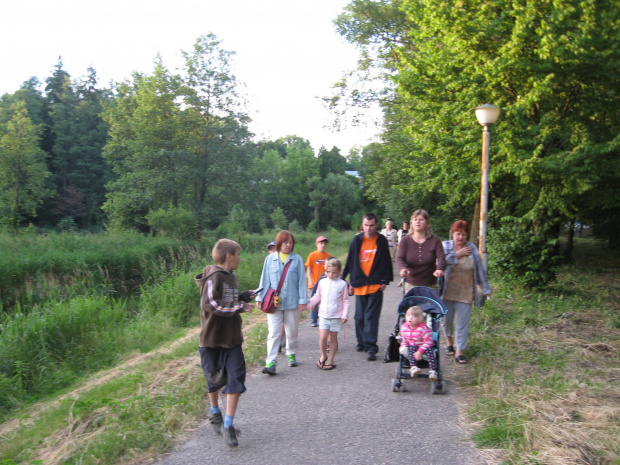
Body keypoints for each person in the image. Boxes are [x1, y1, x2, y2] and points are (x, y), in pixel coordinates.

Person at [194, 239, 255, 447]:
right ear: (229, 256)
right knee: (214, 379)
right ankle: (215, 414)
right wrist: (238, 306)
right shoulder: (214, 276)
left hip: (232, 339)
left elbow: (227, 298)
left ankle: (228, 425)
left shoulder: (232, 276)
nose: (240, 258)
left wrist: (243, 296)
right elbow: (211, 303)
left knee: (236, 378)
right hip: (212, 339)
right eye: (238, 254)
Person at [342, 212, 393, 361]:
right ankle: (361, 341)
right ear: (362, 226)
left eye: (371, 226)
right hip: (359, 283)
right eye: (366, 225)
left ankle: (371, 347)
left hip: (376, 284)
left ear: (376, 225)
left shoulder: (381, 240)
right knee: (359, 316)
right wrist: (344, 280)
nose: (368, 228)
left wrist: (386, 280)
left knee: (371, 316)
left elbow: (386, 261)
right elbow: (350, 260)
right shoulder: (357, 240)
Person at [256, 230, 308, 375]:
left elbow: (301, 282)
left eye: (290, 242)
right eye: (285, 242)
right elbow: (264, 280)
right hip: (274, 303)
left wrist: (303, 300)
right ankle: (271, 362)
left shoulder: (297, 259)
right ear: (279, 243)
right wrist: (260, 298)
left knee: (291, 333)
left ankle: (290, 353)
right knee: (273, 333)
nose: (288, 245)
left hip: (292, 302)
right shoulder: (270, 259)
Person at [442, 220, 491, 364]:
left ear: (467, 235)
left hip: (466, 291)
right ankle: (449, 341)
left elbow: (480, 270)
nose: (460, 237)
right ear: (453, 233)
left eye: (463, 234)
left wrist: (486, 289)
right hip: (447, 291)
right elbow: (441, 263)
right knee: (446, 320)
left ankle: (459, 350)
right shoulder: (445, 246)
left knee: (462, 322)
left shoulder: (472, 249)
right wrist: (457, 254)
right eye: (458, 234)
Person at [307, 258, 349, 370]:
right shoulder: (322, 282)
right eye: (328, 272)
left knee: (333, 339)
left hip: (336, 316)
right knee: (322, 337)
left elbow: (345, 301)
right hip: (323, 315)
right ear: (326, 270)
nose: (331, 274)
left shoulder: (342, 284)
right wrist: (311, 303)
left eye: (334, 272)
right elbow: (317, 296)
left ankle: (331, 360)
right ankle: (323, 355)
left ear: (339, 271)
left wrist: (344, 315)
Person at [396, 209, 446, 293]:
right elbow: (399, 258)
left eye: (421, 219)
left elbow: (441, 257)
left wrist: (440, 269)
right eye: (415, 220)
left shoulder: (435, 240)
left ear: (427, 222)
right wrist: (402, 268)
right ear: (412, 222)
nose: (417, 222)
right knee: (411, 306)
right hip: (410, 284)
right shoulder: (405, 240)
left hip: (430, 285)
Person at [399, 306, 438, 379]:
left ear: (420, 319)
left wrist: (420, 351)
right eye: (408, 315)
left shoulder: (423, 329)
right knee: (410, 350)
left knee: (430, 352)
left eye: (414, 316)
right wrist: (403, 345)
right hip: (413, 346)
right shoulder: (404, 328)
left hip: (424, 346)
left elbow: (429, 341)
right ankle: (413, 367)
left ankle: (432, 371)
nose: (410, 318)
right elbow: (404, 339)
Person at [305, 236, 332, 327]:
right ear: (317, 244)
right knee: (314, 302)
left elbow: (331, 268)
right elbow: (309, 268)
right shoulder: (312, 255)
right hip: (314, 283)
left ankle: (324, 318)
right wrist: (310, 280)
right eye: (321, 243)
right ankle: (314, 319)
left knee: (325, 301)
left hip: (325, 283)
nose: (323, 245)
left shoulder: (328, 256)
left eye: (324, 243)